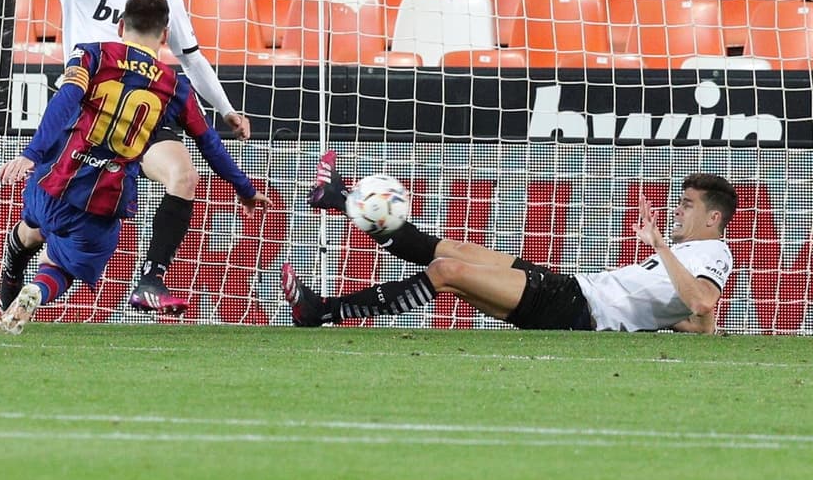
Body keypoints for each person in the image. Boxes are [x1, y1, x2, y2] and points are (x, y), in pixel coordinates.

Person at [3, 0, 252, 316]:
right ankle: (18, 257)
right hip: (86, 104)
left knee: (183, 177)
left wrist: (226, 108)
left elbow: (193, 60)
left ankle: (151, 280)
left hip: (144, 104)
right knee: (40, 226)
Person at [0, 0, 269, 334]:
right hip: (101, 202)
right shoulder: (174, 87)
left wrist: (31, 153)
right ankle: (36, 290)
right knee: (63, 267)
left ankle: (11, 269)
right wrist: (244, 189)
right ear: (165, 36)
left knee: (33, 228)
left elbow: (65, 99)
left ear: (121, 25)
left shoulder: (92, 54)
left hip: (52, 181)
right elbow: (210, 145)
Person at [283, 152, 735, 334]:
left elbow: (699, 304)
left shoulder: (714, 253)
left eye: (687, 205)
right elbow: (698, 322)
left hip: (580, 310)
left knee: (447, 274)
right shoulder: (690, 255)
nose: (677, 210)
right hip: (573, 291)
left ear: (714, 218)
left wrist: (659, 246)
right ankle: (339, 198)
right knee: (456, 251)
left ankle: (321, 310)